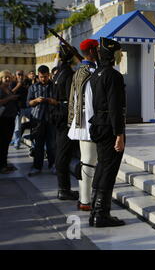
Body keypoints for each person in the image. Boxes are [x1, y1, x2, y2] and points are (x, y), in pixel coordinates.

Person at [88, 37, 126, 227]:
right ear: (112, 55)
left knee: (102, 167)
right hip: (110, 128)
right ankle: (101, 214)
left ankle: (95, 211)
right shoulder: (113, 75)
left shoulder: (96, 74)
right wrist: (119, 134)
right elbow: (115, 108)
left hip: (98, 125)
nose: (120, 56)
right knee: (109, 170)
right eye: (118, 53)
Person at [68, 39, 99, 211]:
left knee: (86, 160)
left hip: (80, 120)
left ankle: (84, 198)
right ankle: (86, 201)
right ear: (93, 51)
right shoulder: (93, 72)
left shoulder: (78, 71)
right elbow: (93, 100)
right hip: (90, 121)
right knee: (88, 161)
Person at [52, 43, 79, 201]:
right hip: (64, 117)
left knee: (62, 153)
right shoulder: (68, 74)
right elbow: (71, 99)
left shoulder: (59, 73)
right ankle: (64, 189)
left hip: (58, 115)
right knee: (63, 154)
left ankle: (64, 188)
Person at [27, 65, 58, 176]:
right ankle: (37, 167)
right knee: (38, 145)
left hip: (51, 119)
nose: (43, 79)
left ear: (48, 75)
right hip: (38, 120)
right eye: (41, 77)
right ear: (38, 75)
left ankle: (52, 165)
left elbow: (58, 102)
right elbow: (28, 103)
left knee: (52, 145)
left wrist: (51, 101)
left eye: (45, 76)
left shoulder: (54, 87)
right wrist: (36, 100)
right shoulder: (33, 87)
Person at [0, 70, 19, 174]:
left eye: (8, 77)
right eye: (5, 77)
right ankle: (2, 166)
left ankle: (4, 164)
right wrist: (11, 98)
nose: (7, 79)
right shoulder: (1, 90)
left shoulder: (8, 89)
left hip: (10, 118)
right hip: (2, 119)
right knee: (2, 142)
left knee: (6, 142)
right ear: (1, 79)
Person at [10, 70, 32, 149]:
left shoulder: (26, 83)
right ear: (16, 76)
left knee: (35, 122)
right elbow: (11, 93)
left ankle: (33, 141)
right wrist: (18, 85)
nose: (20, 76)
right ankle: (17, 142)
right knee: (17, 127)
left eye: (22, 74)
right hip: (18, 109)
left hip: (27, 107)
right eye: (19, 74)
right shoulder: (13, 83)